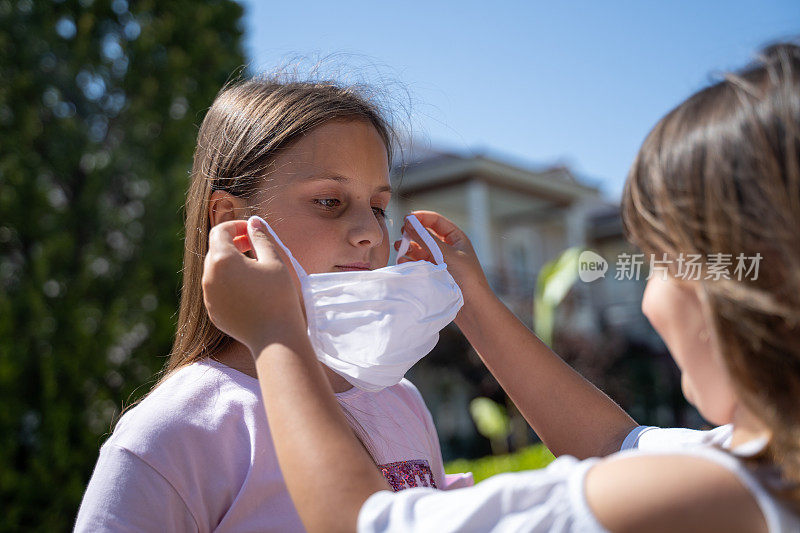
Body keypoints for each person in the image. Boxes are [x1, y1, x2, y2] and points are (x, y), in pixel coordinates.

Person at [201, 42, 800, 532]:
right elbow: (619, 443)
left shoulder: (722, 492)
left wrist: (276, 335)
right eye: (330, 202)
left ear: (743, 287)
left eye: (660, 260)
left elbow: (369, 525)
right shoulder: (764, 471)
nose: (649, 290)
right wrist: (475, 303)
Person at [75, 76, 458, 532]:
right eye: (329, 201)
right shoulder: (171, 433)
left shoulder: (402, 400)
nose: (372, 233)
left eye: (378, 206)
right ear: (231, 221)